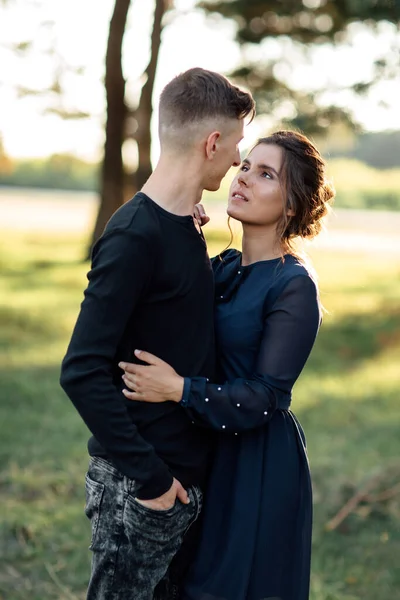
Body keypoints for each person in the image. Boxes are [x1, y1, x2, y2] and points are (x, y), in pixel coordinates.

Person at [59, 67, 255, 600]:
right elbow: (80, 370)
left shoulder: (182, 225)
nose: (239, 159)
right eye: (237, 144)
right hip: (140, 484)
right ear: (213, 142)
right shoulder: (133, 237)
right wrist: (153, 482)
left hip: (180, 478)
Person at [119, 130, 336, 600]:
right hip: (205, 449)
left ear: (293, 204)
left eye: (265, 174)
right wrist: (185, 234)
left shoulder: (294, 285)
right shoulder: (224, 265)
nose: (243, 179)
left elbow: (267, 395)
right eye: (245, 166)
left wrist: (179, 389)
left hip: (256, 464)